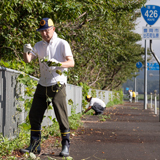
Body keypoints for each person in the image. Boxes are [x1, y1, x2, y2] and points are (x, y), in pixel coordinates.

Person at [20, 18, 74, 157]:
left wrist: (57, 63)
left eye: (47, 30)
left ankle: (65, 145)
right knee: (34, 115)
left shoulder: (62, 43)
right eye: (41, 31)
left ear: (53, 29)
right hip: (42, 83)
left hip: (58, 83)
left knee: (61, 115)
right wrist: (25, 51)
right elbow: (28, 60)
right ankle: (35, 146)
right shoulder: (38, 45)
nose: (44, 33)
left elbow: (71, 62)